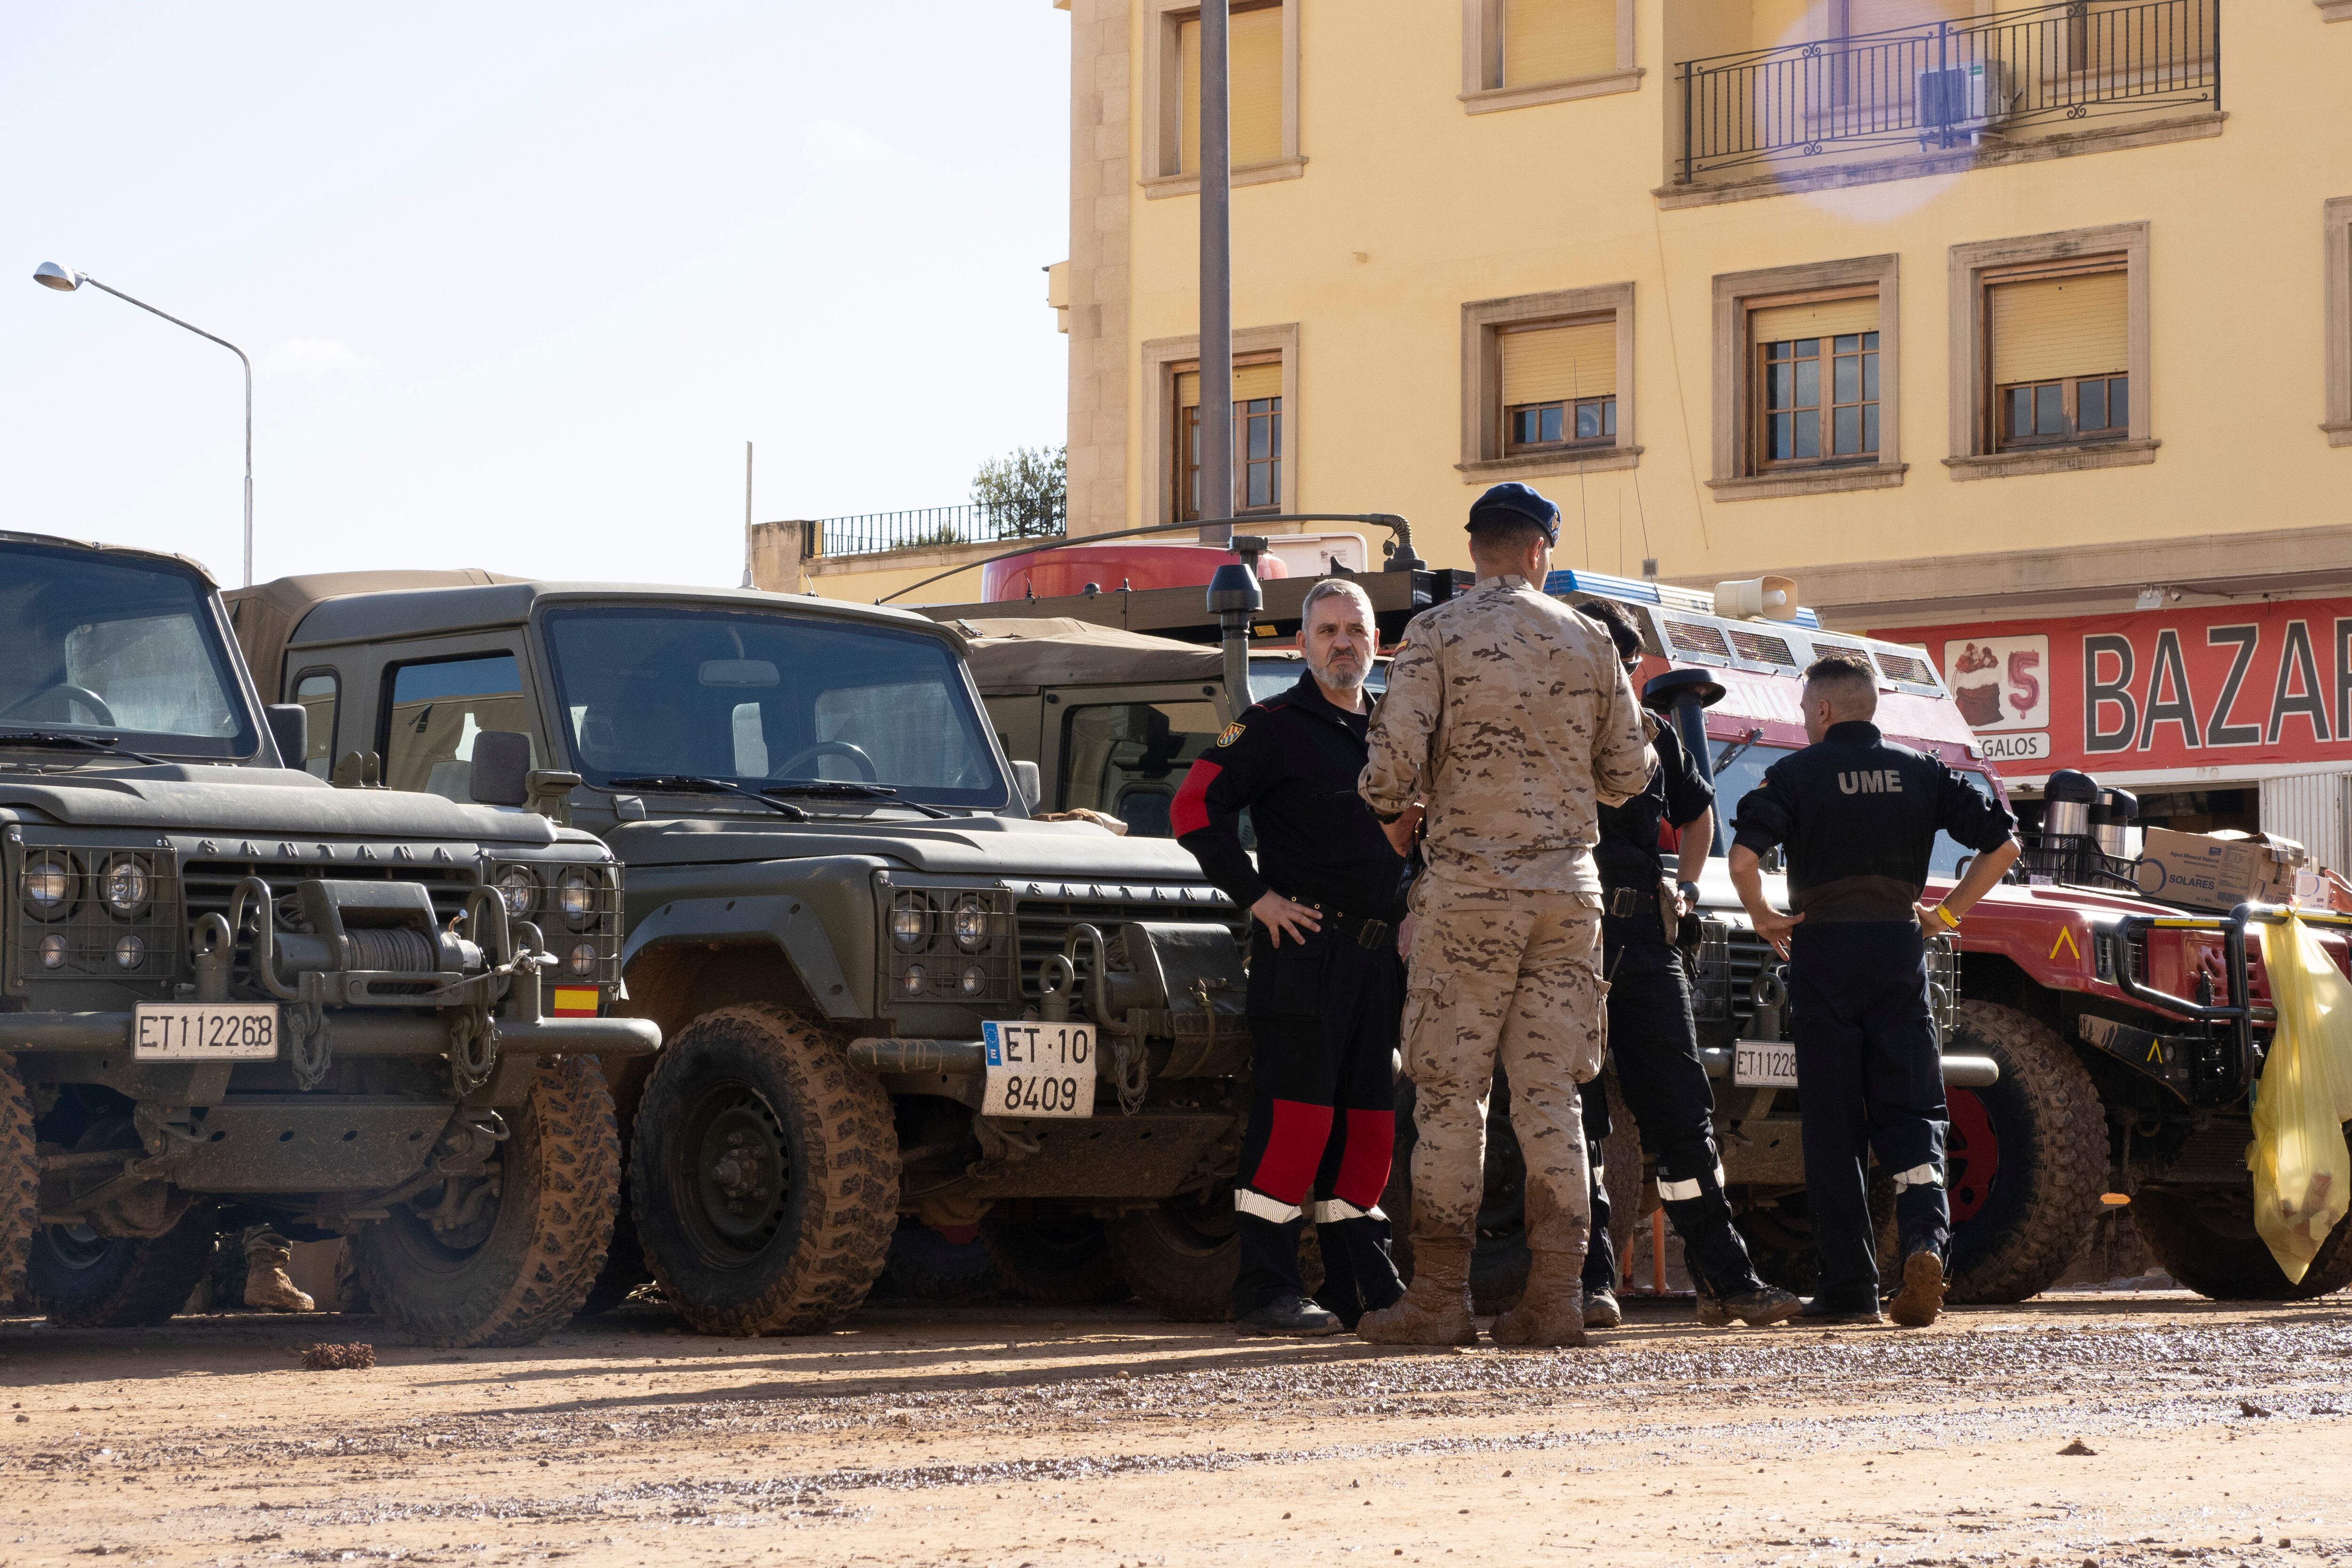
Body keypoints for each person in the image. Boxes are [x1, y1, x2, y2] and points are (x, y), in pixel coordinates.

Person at [1355, 482, 1653, 1348]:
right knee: (1552, 1094)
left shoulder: (1436, 634)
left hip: (1469, 897)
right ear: (1539, 551)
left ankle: (1441, 1296)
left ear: (1478, 547)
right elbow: (1630, 774)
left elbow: (1385, 776)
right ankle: (1556, 1297)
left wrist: (1419, 801)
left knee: (1452, 1094)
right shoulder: (1591, 637)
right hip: (1568, 894)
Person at [1727, 655, 2021, 1328]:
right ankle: (1925, 1245)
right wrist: (1944, 917)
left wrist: (1764, 916)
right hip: (1898, 948)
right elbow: (2003, 845)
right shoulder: (1921, 770)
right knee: (1915, 1110)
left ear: (1825, 710)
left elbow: (1744, 859)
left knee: (1834, 1127)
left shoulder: (1795, 775)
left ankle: (1849, 1290)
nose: (1805, 721)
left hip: (1822, 951)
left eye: (1806, 711)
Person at [1171, 576, 1411, 1336]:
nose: (1345, 643)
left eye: (1357, 630)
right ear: (1302, 644)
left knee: (1371, 1127)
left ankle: (1360, 1285)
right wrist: (1257, 897)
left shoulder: (1397, 732)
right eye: (1329, 630)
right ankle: (1267, 1288)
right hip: (1304, 952)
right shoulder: (1271, 725)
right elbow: (1192, 809)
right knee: (1296, 1123)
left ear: (1378, 643)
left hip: (1382, 963)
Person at [1573, 597, 1801, 1331]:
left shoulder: (1653, 732)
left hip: (1644, 941)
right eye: (1606, 650)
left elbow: (1700, 812)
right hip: (1562, 942)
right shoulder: (1537, 728)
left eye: (1627, 657)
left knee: (1683, 1114)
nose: (1618, 665)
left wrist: (1690, 885)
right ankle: (1586, 1284)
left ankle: (1728, 1283)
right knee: (1576, 1119)